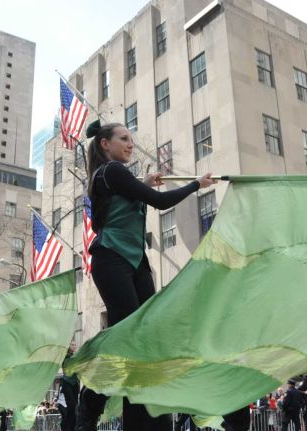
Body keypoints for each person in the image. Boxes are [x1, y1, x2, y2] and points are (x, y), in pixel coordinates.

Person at [75, 121, 216, 431]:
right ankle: (91, 400)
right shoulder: (111, 171)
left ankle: (148, 417)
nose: (130, 144)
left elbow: (130, 199)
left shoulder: (117, 176)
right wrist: (196, 184)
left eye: (131, 139)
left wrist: (146, 184)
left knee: (146, 336)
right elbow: (161, 202)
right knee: (126, 338)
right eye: (124, 139)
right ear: (104, 144)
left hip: (136, 262)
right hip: (111, 257)